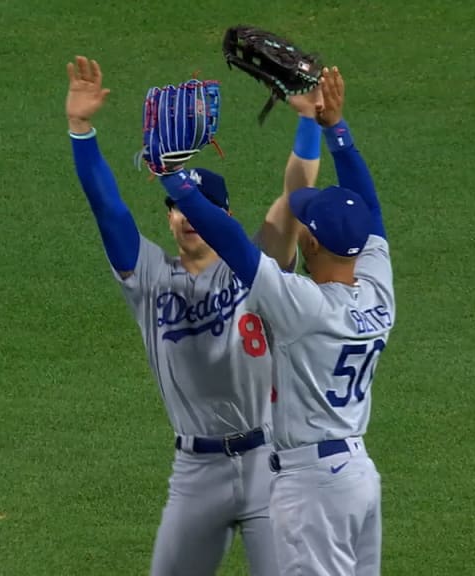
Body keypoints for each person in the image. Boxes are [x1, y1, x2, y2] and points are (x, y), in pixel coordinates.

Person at [64, 55, 317, 576]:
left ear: (221, 215)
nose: (186, 216)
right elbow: (108, 209)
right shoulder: (150, 277)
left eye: (198, 205)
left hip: (270, 459)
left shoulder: (258, 267)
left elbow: (295, 199)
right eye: (178, 206)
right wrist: (81, 129)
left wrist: (311, 122)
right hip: (195, 470)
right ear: (169, 213)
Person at [157, 67, 393, 576]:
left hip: (315, 488)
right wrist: (337, 129)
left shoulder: (303, 306)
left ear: (310, 243)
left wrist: (173, 178)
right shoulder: (376, 289)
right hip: (358, 475)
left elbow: (235, 245)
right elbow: (368, 210)